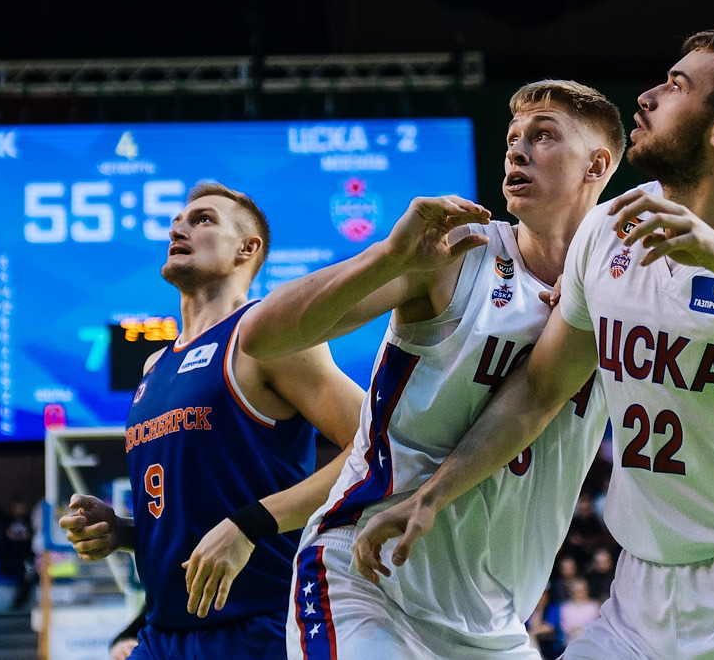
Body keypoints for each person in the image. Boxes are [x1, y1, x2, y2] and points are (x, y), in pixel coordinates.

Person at [360, 26, 714, 660]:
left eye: (676, 86)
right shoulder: (609, 228)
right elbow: (541, 390)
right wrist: (433, 496)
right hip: (640, 596)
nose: (648, 97)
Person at [243, 79, 622, 660]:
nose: (517, 152)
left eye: (543, 136)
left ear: (596, 165)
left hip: (493, 622)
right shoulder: (457, 255)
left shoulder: (617, 290)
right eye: (512, 139)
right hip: (366, 581)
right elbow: (262, 339)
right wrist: (387, 256)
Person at [60, 181, 366, 660]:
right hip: (162, 633)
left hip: (258, 628)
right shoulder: (154, 366)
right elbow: (197, 512)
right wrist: (124, 532)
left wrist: (250, 524)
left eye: (203, 220)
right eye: (177, 222)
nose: (178, 228)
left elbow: (374, 446)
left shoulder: (265, 338)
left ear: (248, 248)